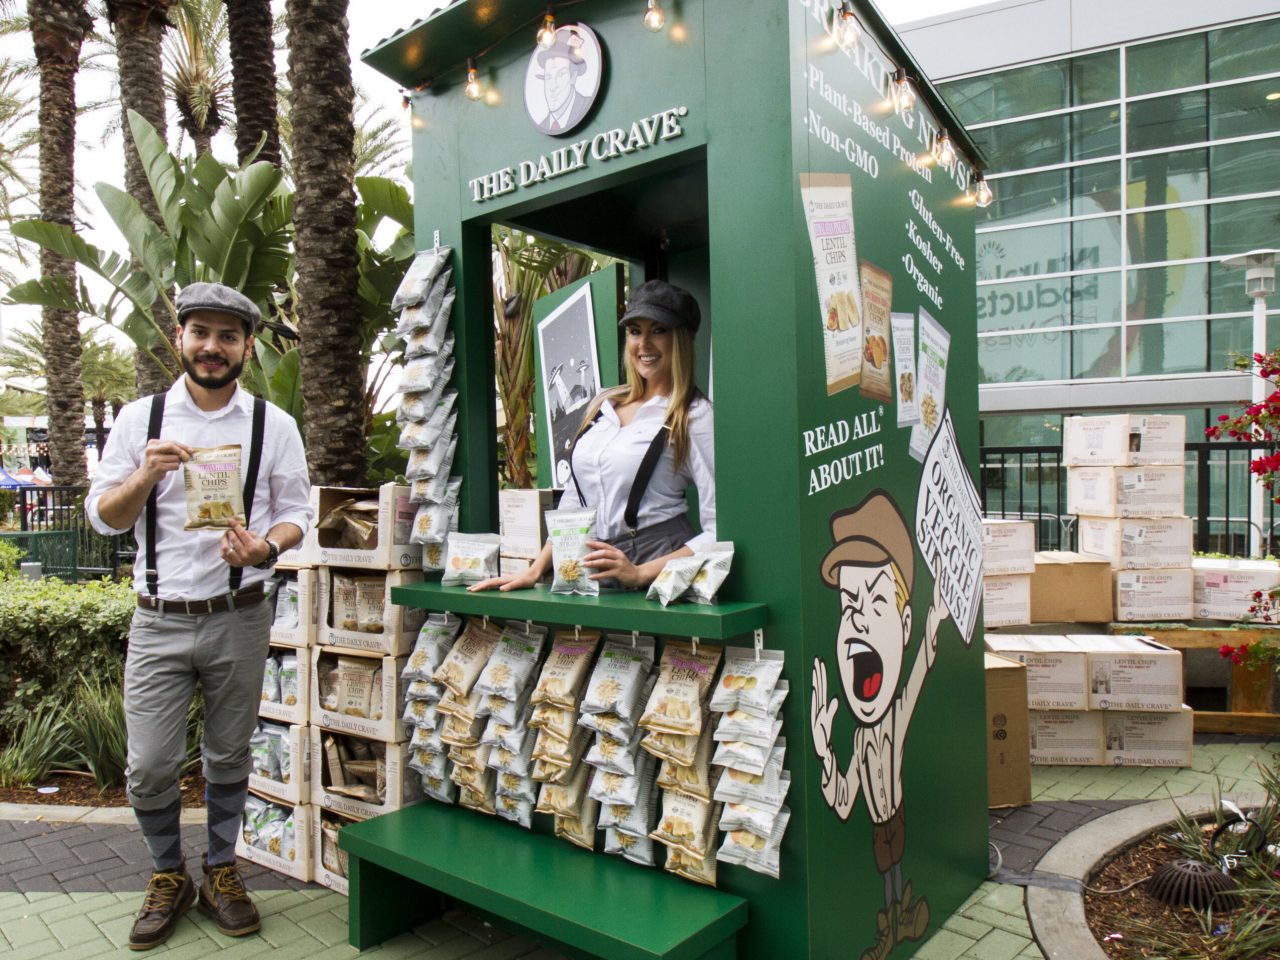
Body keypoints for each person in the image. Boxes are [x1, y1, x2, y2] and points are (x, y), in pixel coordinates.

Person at [86, 282, 312, 950]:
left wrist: (267, 546)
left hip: (238, 614)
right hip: (158, 617)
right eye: (201, 333)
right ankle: (167, 873)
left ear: (246, 346)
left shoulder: (274, 425)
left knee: (228, 753)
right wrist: (144, 477)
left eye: (228, 336)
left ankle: (220, 868)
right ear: (180, 337)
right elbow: (105, 519)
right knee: (150, 765)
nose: (213, 347)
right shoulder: (139, 420)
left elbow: (296, 512)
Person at [473, 279, 714, 591]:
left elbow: (719, 531)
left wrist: (641, 572)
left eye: (659, 330)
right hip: (591, 564)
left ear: (682, 338)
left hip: (659, 563)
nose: (644, 345)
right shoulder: (604, 404)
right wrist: (534, 571)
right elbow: (574, 502)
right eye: (635, 331)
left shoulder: (695, 415)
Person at [810, 491, 949, 960]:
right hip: (877, 824)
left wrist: (933, 630)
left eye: (875, 603)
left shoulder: (893, 720)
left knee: (894, 870)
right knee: (887, 866)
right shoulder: (860, 737)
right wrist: (826, 750)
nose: (857, 620)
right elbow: (844, 800)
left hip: (896, 816)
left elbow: (913, 680)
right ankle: (896, 921)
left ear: (903, 625)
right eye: (849, 604)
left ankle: (898, 921)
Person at [533, 31, 593, 134]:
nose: (553, 87)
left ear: (573, 77)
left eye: (561, 75)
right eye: (548, 77)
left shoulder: (587, 106)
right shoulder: (543, 125)